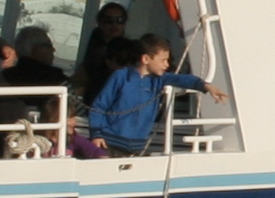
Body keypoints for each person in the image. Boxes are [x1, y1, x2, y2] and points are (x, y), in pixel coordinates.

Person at [87, 39, 224, 158]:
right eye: (163, 60)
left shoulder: (160, 80)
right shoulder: (121, 76)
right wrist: (96, 133)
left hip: (136, 147)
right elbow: (99, 105)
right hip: (109, 142)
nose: (167, 65)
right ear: (146, 59)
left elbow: (182, 79)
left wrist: (205, 86)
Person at [73, 1, 133, 108]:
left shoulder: (133, 49)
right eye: (108, 20)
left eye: (120, 20)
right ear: (99, 23)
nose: (114, 24)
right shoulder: (93, 54)